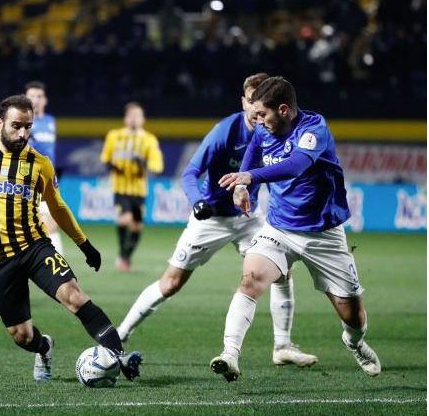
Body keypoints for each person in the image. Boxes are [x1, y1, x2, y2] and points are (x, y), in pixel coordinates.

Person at [117, 73, 317, 368]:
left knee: (282, 271)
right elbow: (190, 173)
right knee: (171, 283)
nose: (256, 109)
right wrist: (197, 201)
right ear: (243, 102)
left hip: (248, 218)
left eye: (261, 103)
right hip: (211, 218)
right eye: (251, 101)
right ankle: (120, 335)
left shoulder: (275, 131)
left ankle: (282, 346)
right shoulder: (225, 132)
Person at [0, 94, 142, 383]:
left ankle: (119, 355)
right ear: (0, 123)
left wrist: (84, 244)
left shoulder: (40, 164)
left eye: (28, 127)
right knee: (21, 336)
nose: (23, 133)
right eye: (16, 126)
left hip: (35, 248)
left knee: (74, 296)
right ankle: (44, 347)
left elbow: (58, 208)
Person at [213, 76, 381, 381]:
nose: (257, 120)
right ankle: (229, 354)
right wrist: (242, 186)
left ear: (284, 109)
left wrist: (251, 177)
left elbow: (297, 165)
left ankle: (354, 342)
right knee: (250, 280)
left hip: (323, 233)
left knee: (352, 315)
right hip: (279, 228)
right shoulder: (263, 130)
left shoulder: (313, 129)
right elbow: (253, 151)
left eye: (263, 114)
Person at [100, 102, 163, 271]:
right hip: (120, 188)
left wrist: (144, 163)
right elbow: (105, 157)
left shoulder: (149, 139)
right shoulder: (114, 136)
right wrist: (111, 166)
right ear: (125, 118)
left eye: (138, 116)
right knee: (125, 219)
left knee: (137, 226)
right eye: (131, 115)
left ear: (143, 119)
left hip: (139, 190)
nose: (134, 119)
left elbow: (157, 166)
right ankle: (122, 256)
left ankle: (125, 257)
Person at [24, 80, 65, 254]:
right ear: (25, 98)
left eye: (39, 96)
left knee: (52, 223)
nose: (36, 100)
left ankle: (54, 261)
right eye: (32, 96)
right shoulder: (22, 122)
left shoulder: (50, 121)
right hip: (28, 180)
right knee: (44, 223)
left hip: (48, 180)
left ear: (45, 100)